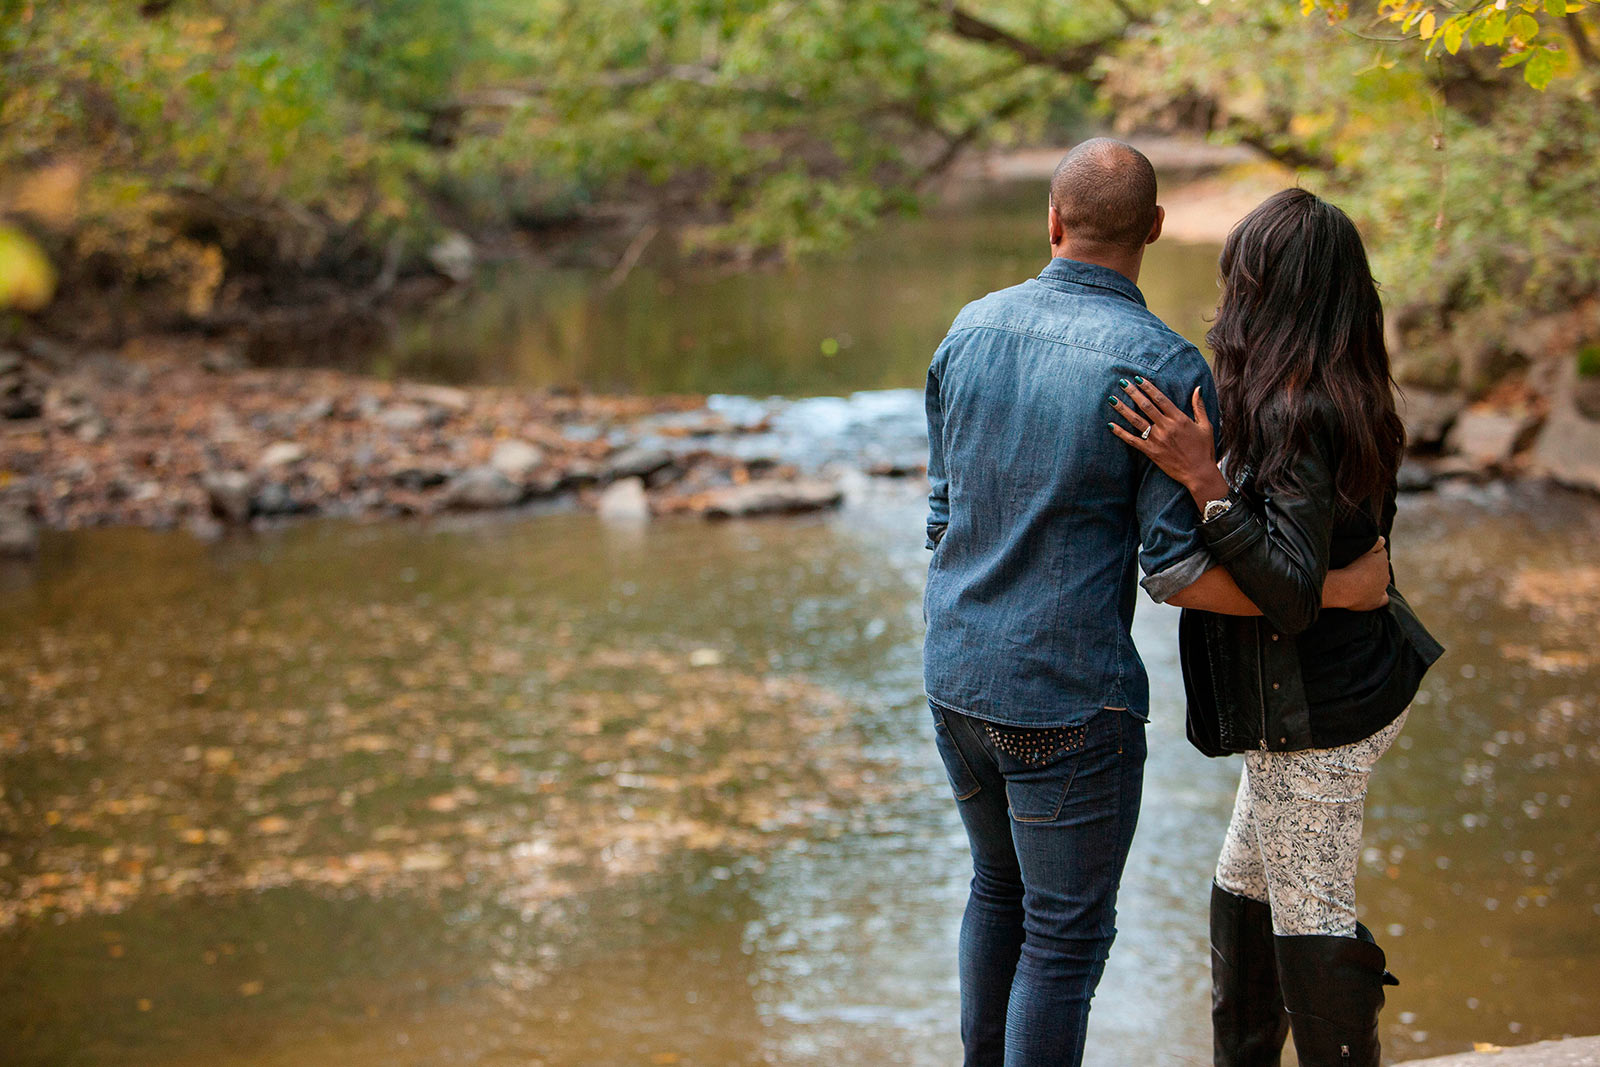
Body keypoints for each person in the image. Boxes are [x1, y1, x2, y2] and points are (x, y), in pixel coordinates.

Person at [922, 142, 1393, 1067]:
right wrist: (1332, 588)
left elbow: (941, 518)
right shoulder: (1159, 366)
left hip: (954, 677)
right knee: (1060, 938)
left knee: (996, 892)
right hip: (1065, 699)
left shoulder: (967, 329)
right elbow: (1176, 572)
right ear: (1157, 231)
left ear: (1052, 223)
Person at [1106, 188, 1444, 1067]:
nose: (1227, 293)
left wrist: (1201, 478)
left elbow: (1290, 594)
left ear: (1267, 291)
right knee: (1243, 894)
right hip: (1320, 692)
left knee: (1312, 919)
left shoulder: (1301, 413)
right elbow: (1325, 567)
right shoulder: (1333, 386)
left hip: (1319, 711)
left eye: (1239, 276)